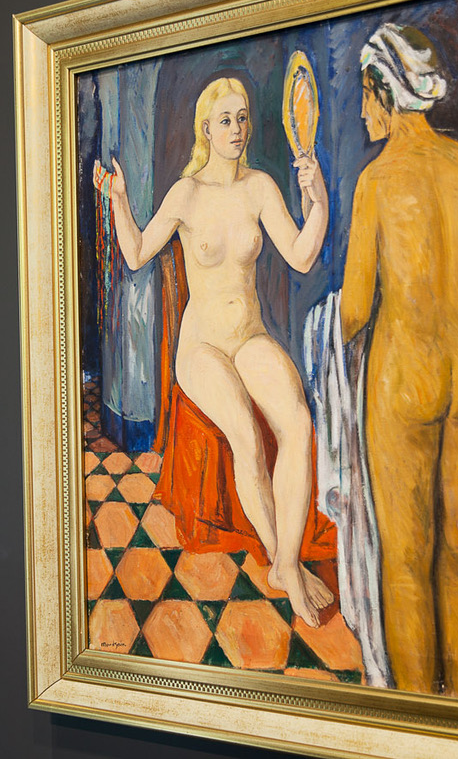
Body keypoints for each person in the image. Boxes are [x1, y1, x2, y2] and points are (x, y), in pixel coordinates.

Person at [98, 77, 333, 627]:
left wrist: (318, 201)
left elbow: (301, 256)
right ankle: (284, 563)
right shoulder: (187, 194)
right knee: (246, 434)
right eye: (226, 120)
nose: (237, 129)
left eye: (243, 117)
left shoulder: (260, 187)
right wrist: (120, 200)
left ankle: (287, 562)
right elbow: (136, 254)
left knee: (297, 423)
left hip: (249, 337)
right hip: (201, 348)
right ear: (206, 128)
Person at [339, 23, 458, 698]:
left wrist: (329, 338)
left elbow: (356, 307)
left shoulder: (377, 182)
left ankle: (417, 722)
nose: (361, 113)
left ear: (386, 92)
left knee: (407, 568)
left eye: (365, 97)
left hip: (405, 381)